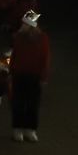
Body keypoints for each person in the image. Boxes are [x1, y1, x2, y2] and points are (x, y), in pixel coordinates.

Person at [9, 11, 49, 142]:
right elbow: (14, 55)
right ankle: (18, 128)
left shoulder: (42, 38)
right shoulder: (19, 37)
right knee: (19, 103)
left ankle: (30, 129)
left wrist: (43, 76)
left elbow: (45, 58)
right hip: (20, 75)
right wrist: (12, 71)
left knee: (32, 104)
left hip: (34, 75)